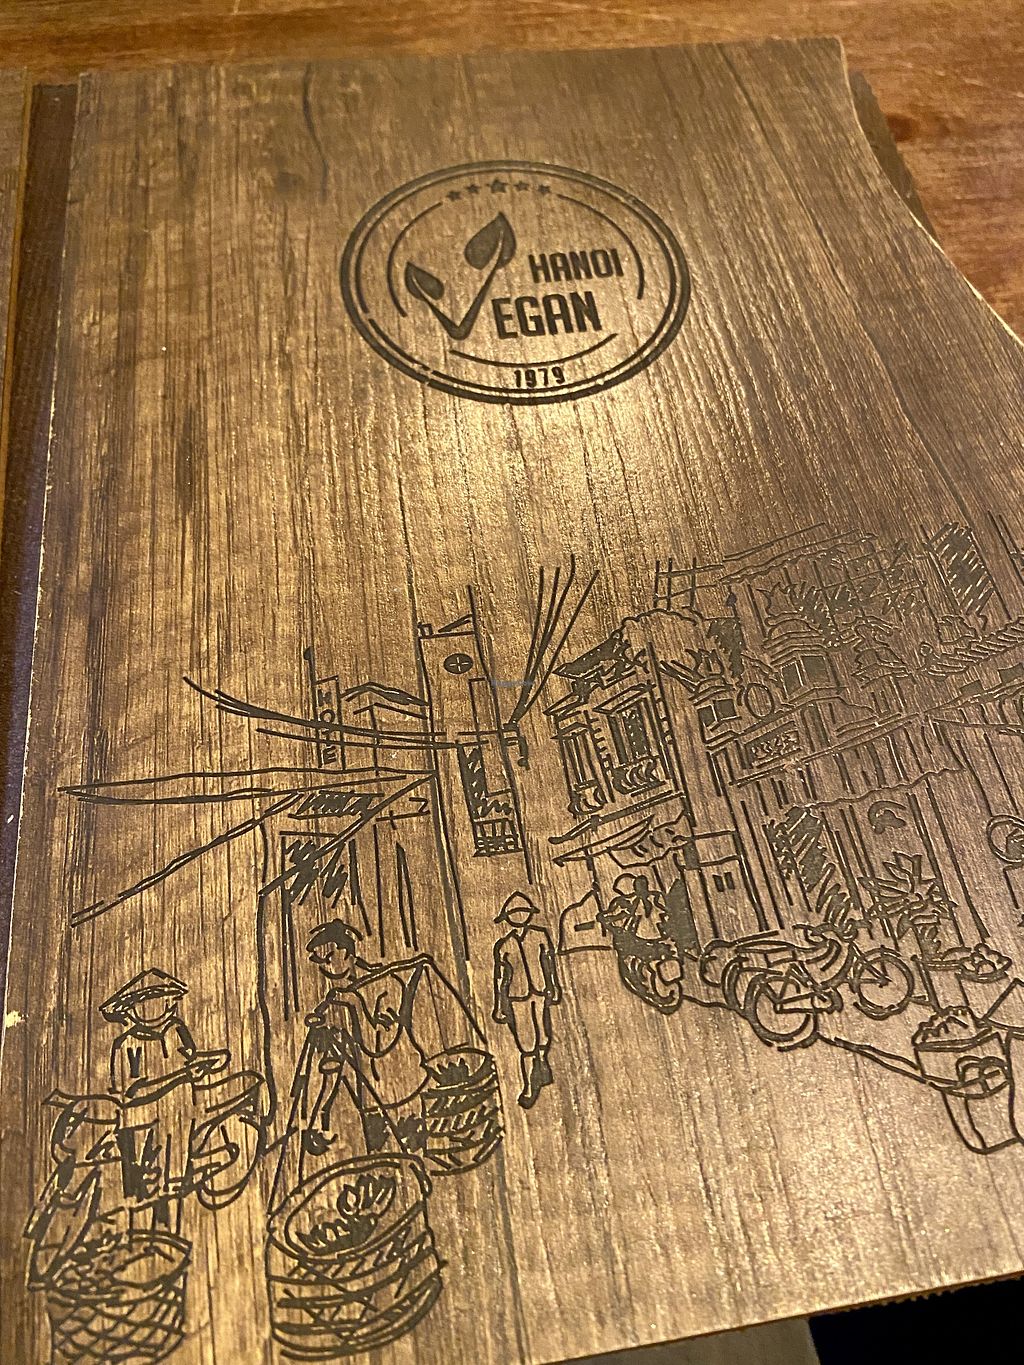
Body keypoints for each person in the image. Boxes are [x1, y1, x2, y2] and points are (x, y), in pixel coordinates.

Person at [292, 920, 429, 1181]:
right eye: (320, 961)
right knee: (384, 1167)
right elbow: (334, 1066)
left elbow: (381, 1043)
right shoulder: (337, 997)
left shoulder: (386, 985)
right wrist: (322, 1117)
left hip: (402, 1087)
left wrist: (354, 1006)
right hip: (369, 1097)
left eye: (329, 958)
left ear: (348, 954)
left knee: (415, 1161)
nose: (325, 967)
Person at [102, 968, 214, 1230]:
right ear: (131, 1009)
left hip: (179, 1115)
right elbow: (128, 1093)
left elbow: (190, 1059)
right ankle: (141, 1233)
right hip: (139, 1123)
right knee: (143, 1187)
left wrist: (201, 1066)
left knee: (176, 1180)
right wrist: (179, 1076)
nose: (163, 1007)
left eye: (167, 999)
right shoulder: (126, 1044)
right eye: (150, 1001)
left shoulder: (176, 1030)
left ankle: (171, 1231)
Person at [492, 891, 561, 1109]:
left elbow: (548, 963)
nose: (519, 916)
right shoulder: (505, 945)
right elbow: (500, 977)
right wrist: (499, 1005)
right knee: (526, 1042)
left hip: (540, 992)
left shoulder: (539, 935)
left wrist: (554, 986)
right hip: (517, 997)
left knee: (544, 1034)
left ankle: (542, 1066)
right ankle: (530, 1083)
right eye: (514, 913)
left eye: (522, 912)